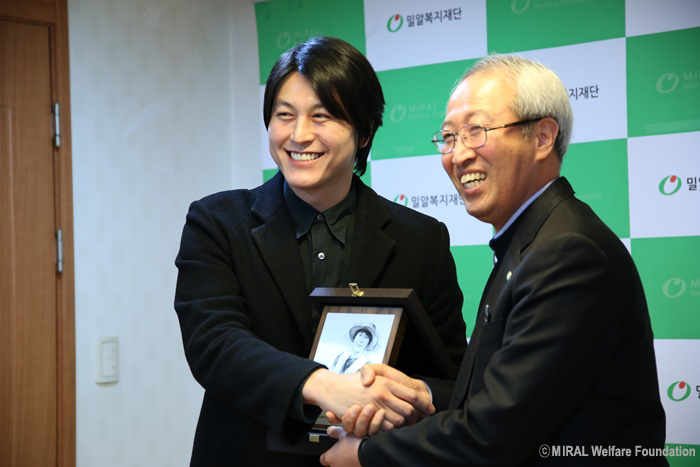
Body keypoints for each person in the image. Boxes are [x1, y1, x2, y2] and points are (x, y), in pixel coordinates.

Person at [320, 54, 668, 466]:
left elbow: (495, 433)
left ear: (542, 138)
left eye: (476, 131)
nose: (458, 154)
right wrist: (421, 394)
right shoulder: (529, 240)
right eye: (449, 137)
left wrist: (365, 453)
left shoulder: (567, 252)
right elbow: (503, 399)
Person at [173, 36, 467, 466]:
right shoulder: (218, 222)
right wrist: (327, 386)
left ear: (363, 131)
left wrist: (397, 397)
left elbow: (452, 380)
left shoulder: (422, 239)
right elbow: (214, 344)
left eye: (322, 116)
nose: (299, 135)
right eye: (284, 115)